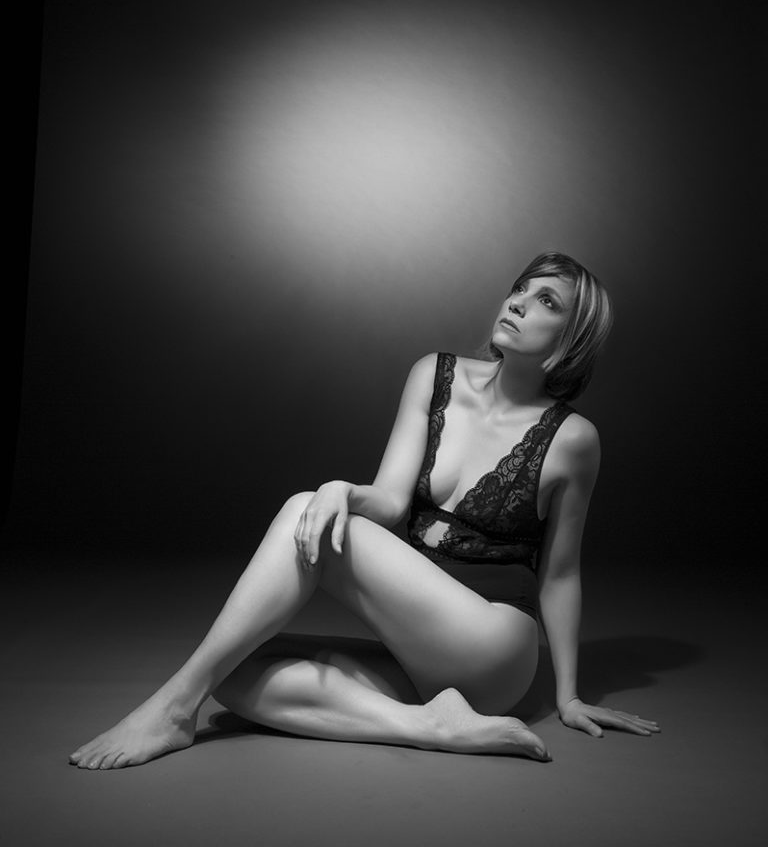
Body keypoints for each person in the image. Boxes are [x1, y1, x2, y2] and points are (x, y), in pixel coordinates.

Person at [70, 251, 659, 770]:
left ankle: (173, 708)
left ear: (571, 338)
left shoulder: (573, 439)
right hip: (421, 647)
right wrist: (344, 491)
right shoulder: (434, 375)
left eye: (546, 300)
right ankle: (430, 726)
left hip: (494, 646)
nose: (519, 302)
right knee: (240, 679)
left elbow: (560, 573)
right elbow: (390, 500)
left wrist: (569, 696)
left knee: (302, 509)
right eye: (520, 288)